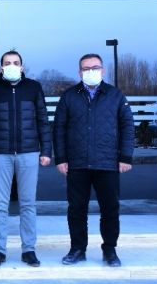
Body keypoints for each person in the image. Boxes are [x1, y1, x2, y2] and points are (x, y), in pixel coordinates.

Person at [53, 53, 135, 267]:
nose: (90, 71)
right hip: (77, 163)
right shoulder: (69, 96)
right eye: (86, 68)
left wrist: (126, 156)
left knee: (110, 209)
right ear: (79, 72)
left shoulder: (116, 95)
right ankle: (77, 249)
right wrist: (60, 158)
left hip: (107, 163)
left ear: (103, 70)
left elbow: (127, 126)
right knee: (76, 210)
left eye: (95, 67)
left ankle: (110, 250)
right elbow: (59, 128)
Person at [0, 50, 52, 268]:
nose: (11, 65)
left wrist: (46, 150)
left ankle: (28, 250)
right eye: (7, 62)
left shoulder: (34, 88)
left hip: (28, 153)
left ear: (22, 66)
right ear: (1, 67)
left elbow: (42, 120)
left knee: (28, 204)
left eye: (15, 62)